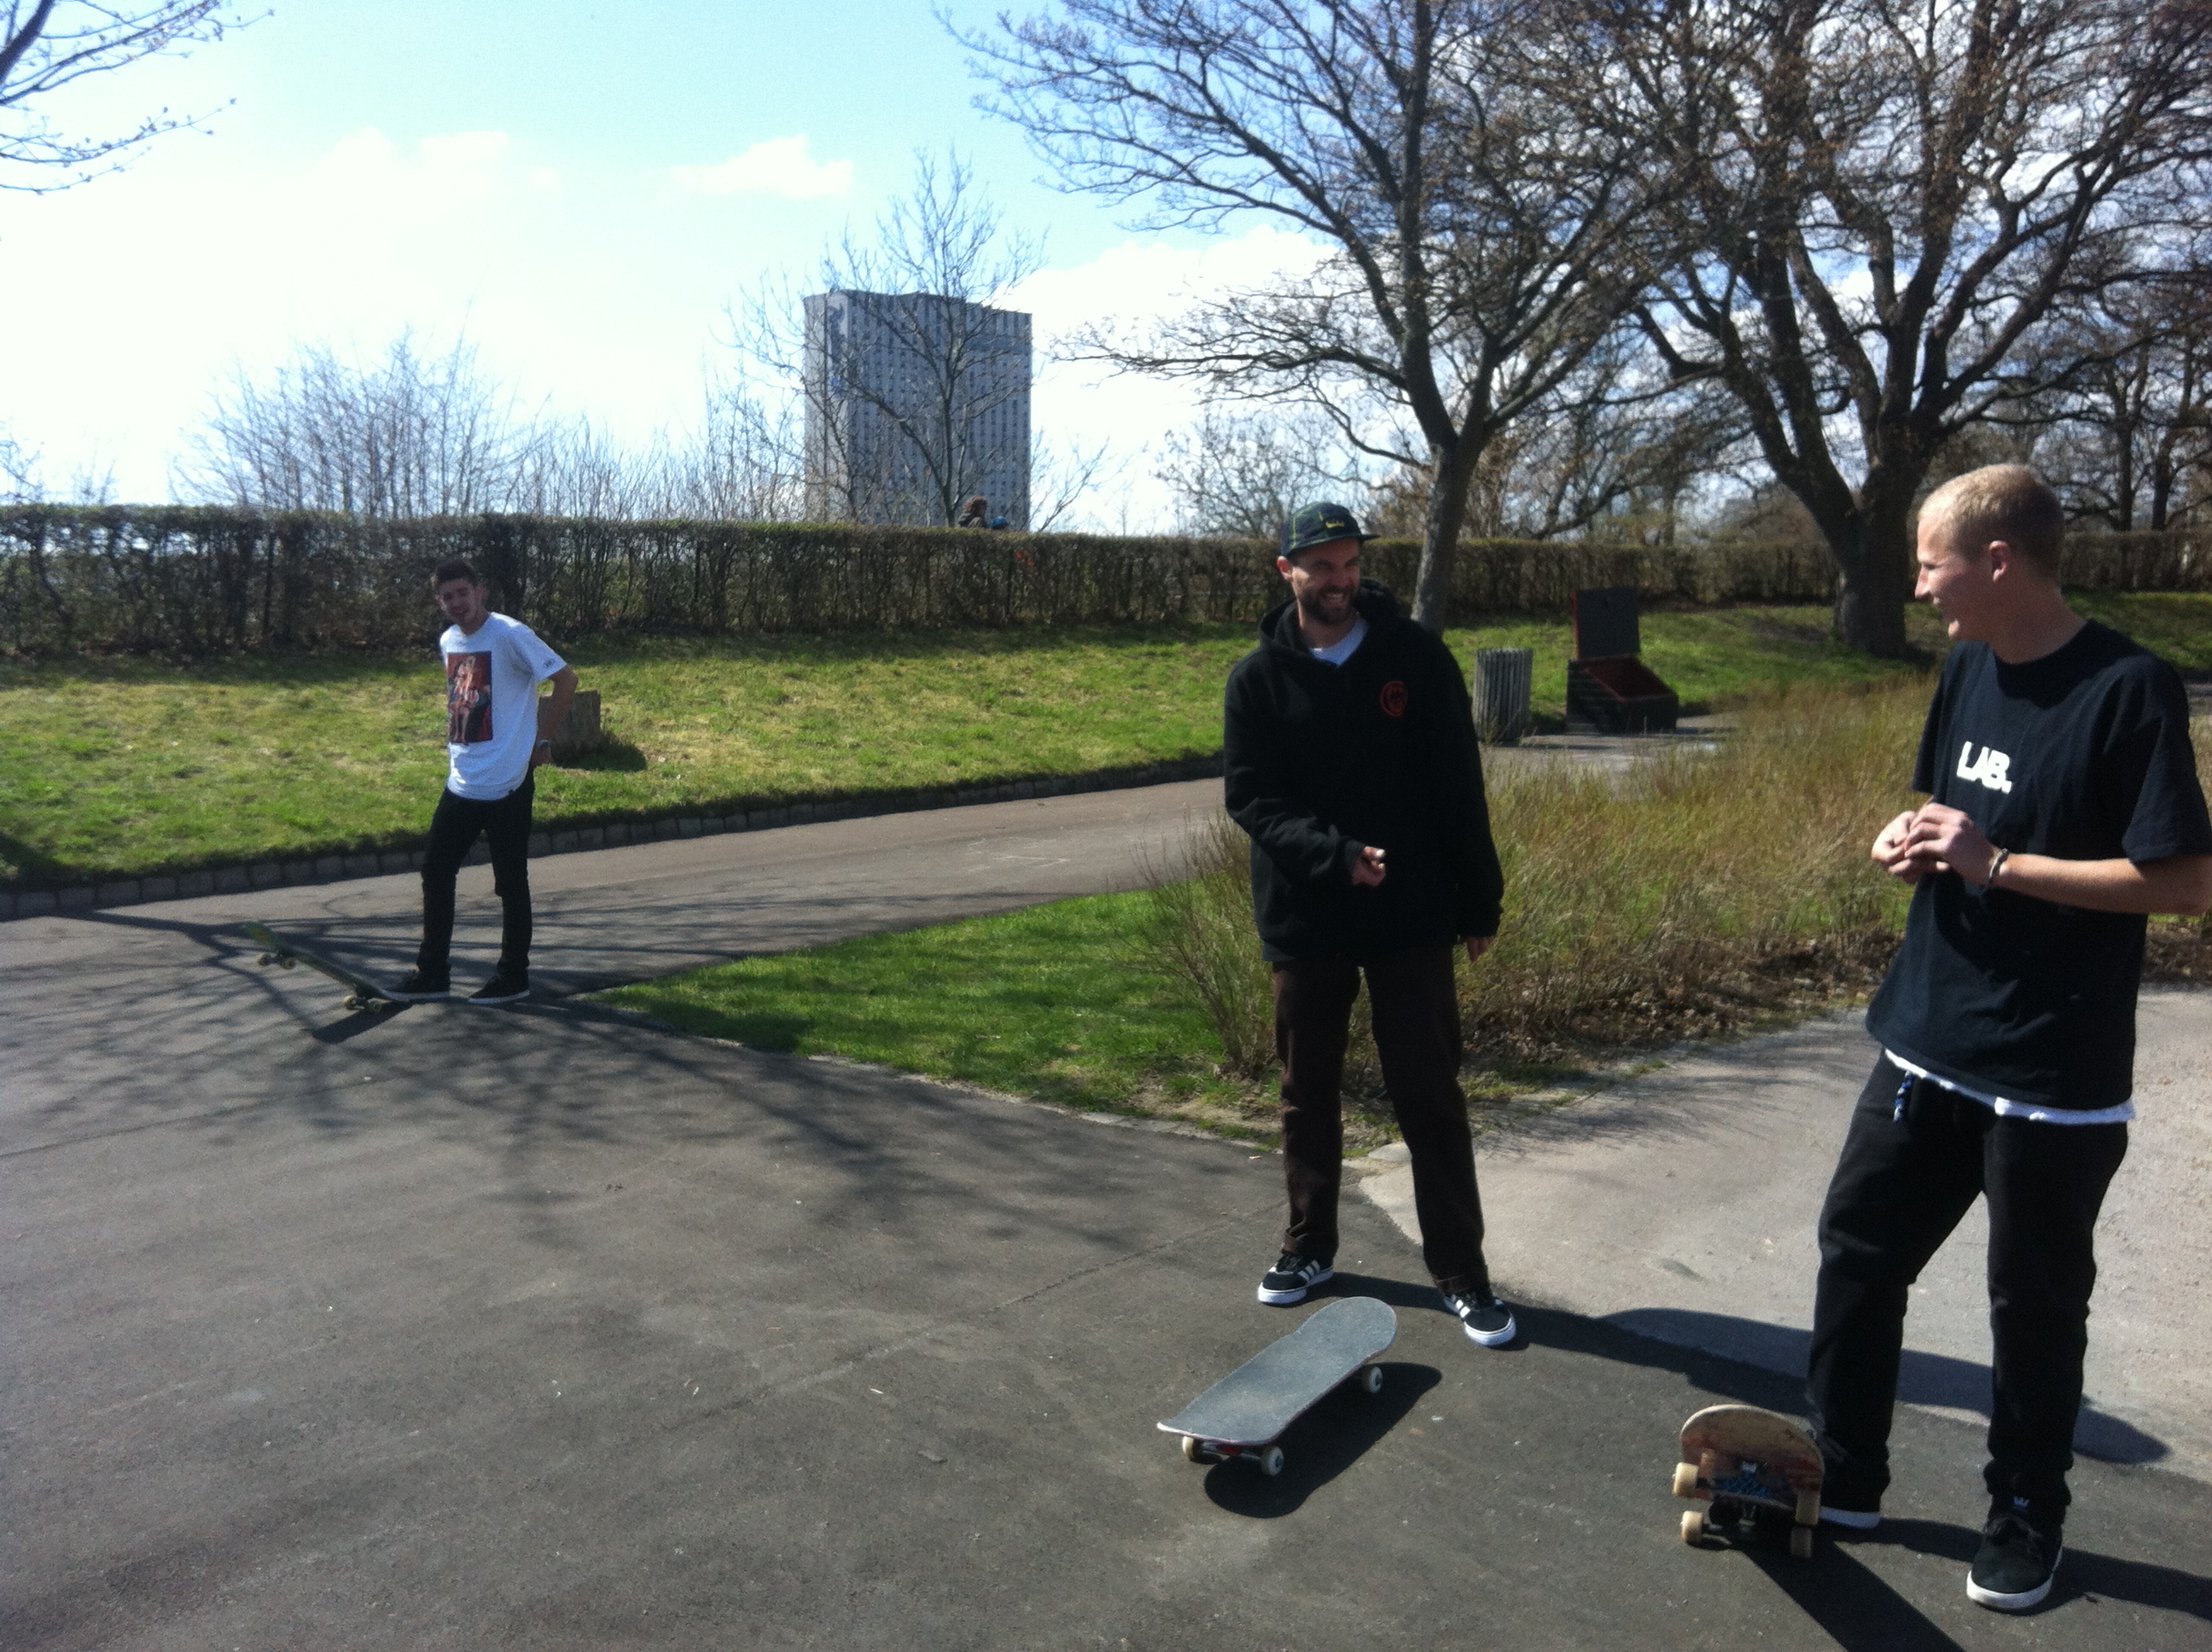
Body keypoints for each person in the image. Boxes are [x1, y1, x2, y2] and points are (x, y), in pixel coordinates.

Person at [1806, 465, 2212, 1611]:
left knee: (2031, 1311)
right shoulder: (1967, 663)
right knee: (1858, 1255)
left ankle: (2025, 1525)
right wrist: (1915, 836)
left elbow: (2182, 881)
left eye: (1931, 562)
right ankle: (1842, 1477)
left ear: (1996, 561)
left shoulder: (2129, 689)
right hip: (1925, 1034)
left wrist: (1997, 866)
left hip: (2051, 1075)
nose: (1919, 584)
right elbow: (1951, 808)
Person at [1222, 501, 1516, 1347]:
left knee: (1429, 1093)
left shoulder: (1415, 659)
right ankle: (1309, 1246)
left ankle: (1462, 1271)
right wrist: (1333, 853)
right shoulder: (1257, 679)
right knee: (1304, 1092)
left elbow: (1459, 784)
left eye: (1350, 565)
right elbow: (1252, 797)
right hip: (1306, 912)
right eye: (1321, 567)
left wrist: (1478, 901)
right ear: (1288, 571)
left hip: (1410, 912)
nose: (1340, 581)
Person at [392, 559, 578, 1005]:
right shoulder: (448, 640)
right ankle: (433, 972)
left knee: (509, 882)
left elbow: (565, 680)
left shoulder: (511, 634)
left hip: (509, 779)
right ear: (440, 601)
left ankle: (514, 976)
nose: (457, 603)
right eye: (447, 597)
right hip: (462, 779)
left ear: (480, 590)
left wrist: (542, 739)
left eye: (463, 593)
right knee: (436, 871)